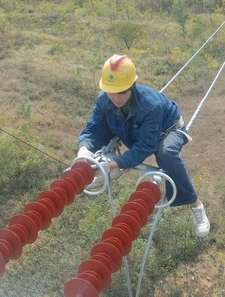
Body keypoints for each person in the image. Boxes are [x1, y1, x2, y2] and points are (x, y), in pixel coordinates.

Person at [77, 54, 210, 238]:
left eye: (122, 92)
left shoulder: (151, 105)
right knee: (102, 138)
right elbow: (93, 129)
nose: (116, 98)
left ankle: (195, 204)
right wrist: (84, 150)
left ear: (132, 86)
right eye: (111, 92)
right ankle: (103, 165)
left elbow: (147, 146)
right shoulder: (104, 99)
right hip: (132, 127)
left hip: (167, 130)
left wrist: (116, 164)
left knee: (166, 153)